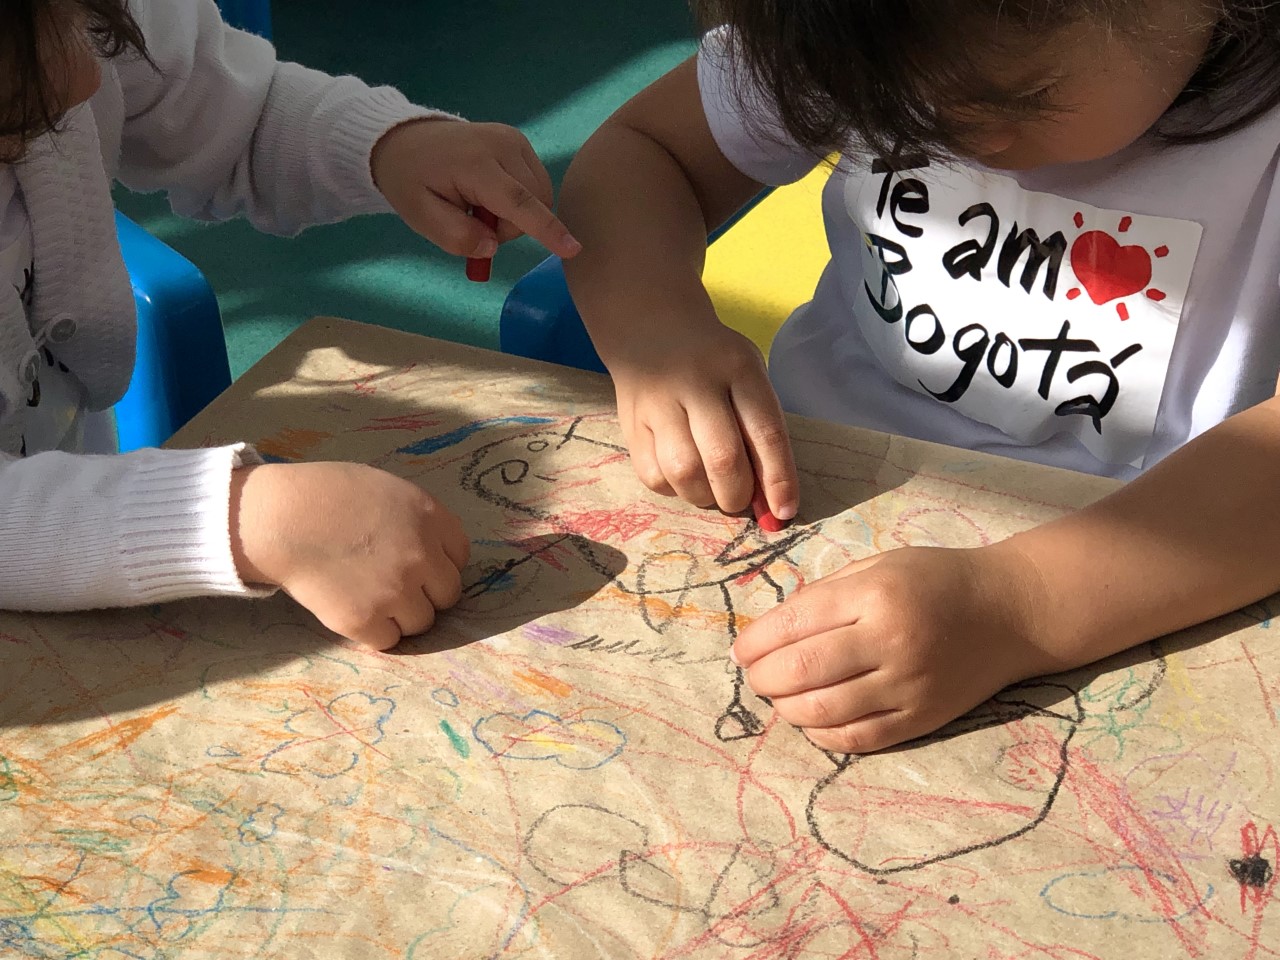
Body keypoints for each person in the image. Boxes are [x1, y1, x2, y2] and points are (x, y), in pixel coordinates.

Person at [558, 0, 1280, 752]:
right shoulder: (845, 28)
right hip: (811, 489)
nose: (954, 140)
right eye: (896, 109)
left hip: (1145, 575)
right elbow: (642, 153)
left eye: (1018, 97)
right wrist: (657, 330)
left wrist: (1018, 607)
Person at [0, 0, 581, 651]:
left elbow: (238, 116)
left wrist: (389, 145)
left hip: (81, 534)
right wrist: (243, 520)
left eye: (81, 15)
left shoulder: (65, 27)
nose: (87, 83)